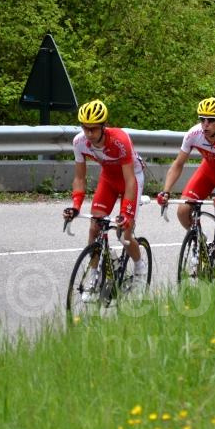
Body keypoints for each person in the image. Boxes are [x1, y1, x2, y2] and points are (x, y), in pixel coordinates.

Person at [62, 99, 146, 301]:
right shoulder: (79, 142)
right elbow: (79, 178)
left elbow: (130, 181)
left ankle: (139, 268)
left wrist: (126, 213)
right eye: (85, 128)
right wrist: (75, 206)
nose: (88, 133)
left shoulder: (120, 140)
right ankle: (95, 277)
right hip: (108, 178)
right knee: (94, 227)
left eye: (93, 129)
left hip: (131, 179)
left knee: (124, 235)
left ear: (103, 126)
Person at [157, 97, 215, 269]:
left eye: (210, 120)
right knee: (183, 211)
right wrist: (166, 190)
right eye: (202, 119)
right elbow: (178, 164)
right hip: (207, 173)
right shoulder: (194, 134)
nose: (205, 124)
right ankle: (199, 239)